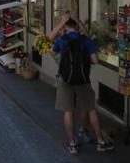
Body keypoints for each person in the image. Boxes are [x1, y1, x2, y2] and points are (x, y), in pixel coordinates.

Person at [49, 12, 115, 155]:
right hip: (83, 80)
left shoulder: (62, 40)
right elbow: (95, 60)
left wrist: (61, 24)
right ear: (78, 25)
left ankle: (73, 144)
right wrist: (79, 21)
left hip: (65, 80)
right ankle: (100, 142)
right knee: (91, 109)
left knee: (68, 112)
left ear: (66, 26)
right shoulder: (86, 40)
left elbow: (49, 40)